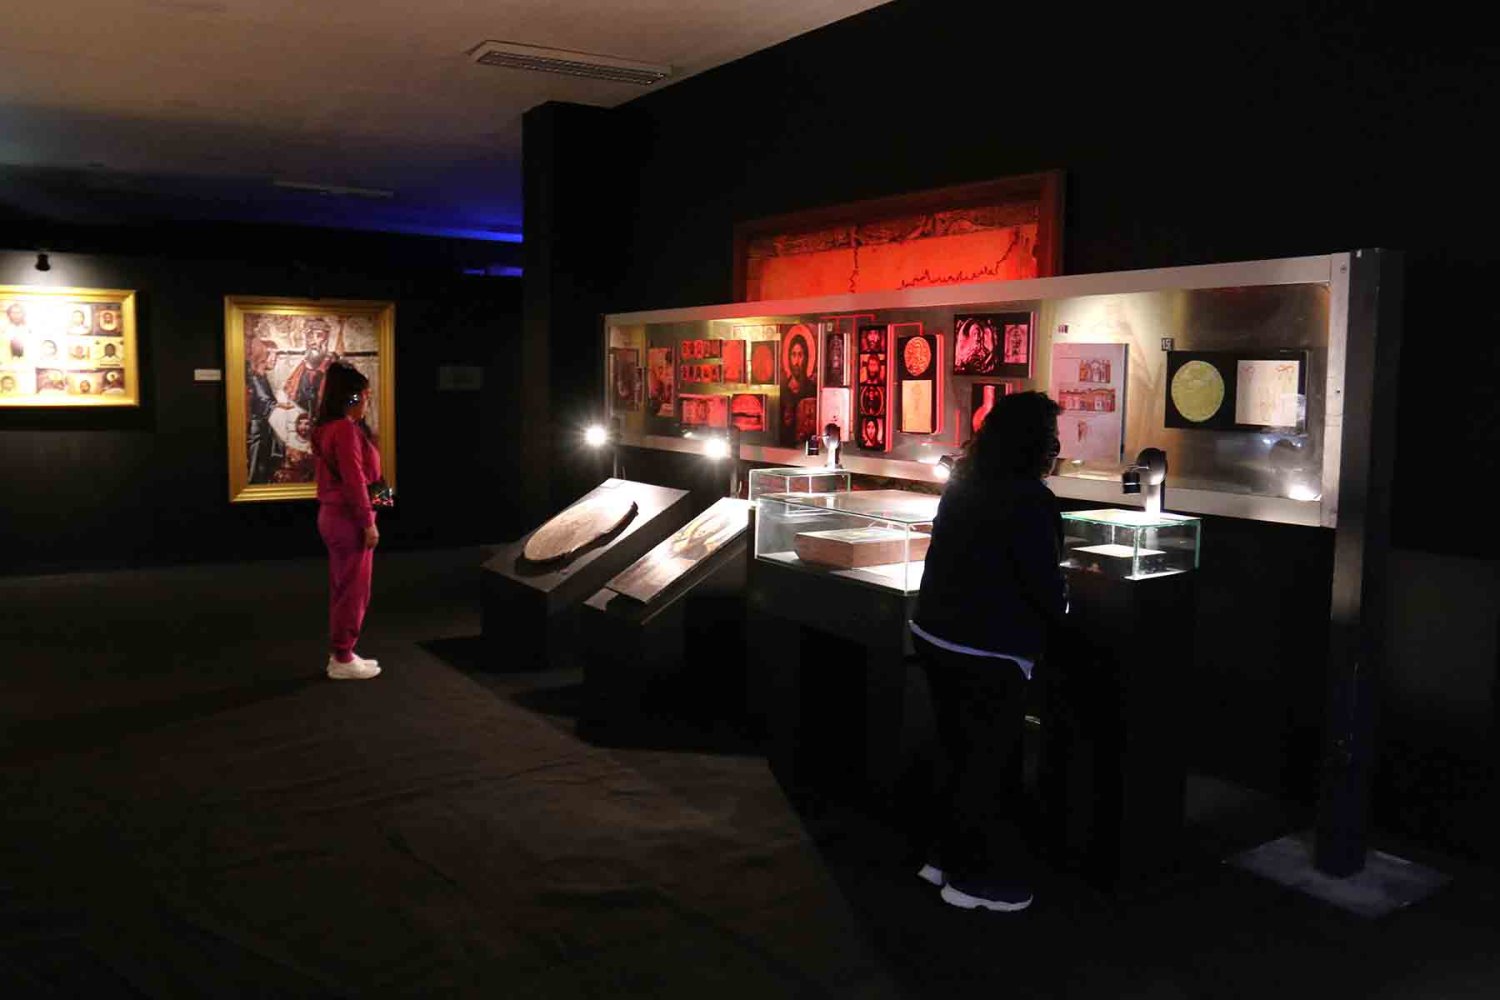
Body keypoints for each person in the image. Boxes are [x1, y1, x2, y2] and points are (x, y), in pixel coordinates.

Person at [909, 391, 1066, 913]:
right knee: (988, 765)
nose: (1056, 450)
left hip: (935, 633)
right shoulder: (1031, 500)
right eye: (1050, 439)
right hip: (988, 649)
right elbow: (1041, 584)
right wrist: (1060, 612)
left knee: (956, 751)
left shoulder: (964, 481)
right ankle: (978, 880)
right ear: (1033, 444)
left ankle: (942, 858)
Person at [312, 362, 383, 680]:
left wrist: (379, 508)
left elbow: (372, 476)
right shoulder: (344, 430)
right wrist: (369, 522)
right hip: (349, 520)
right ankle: (342, 656)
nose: (367, 401)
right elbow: (355, 481)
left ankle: (343, 652)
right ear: (352, 397)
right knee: (354, 591)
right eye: (365, 395)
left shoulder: (330, 428)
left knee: (345, 587)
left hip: (337, 516)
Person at [246, 338, 289, 484]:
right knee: (256, 463)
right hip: (257, 429)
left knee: (263, 464)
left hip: (264, 427)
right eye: (272, 354)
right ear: (262, 355)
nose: (275, 359)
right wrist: (280, 406)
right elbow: (263, 401)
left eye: (276, 355)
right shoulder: (255, 377)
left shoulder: (261, 376)